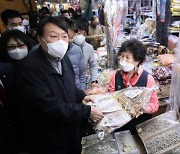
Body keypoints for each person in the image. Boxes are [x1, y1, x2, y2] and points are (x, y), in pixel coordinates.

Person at [16, 16, 103, 154]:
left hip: (69, 130)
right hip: (49, 139)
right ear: (40, 39)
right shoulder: (29, 68)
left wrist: (81, 96)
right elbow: (49, 105)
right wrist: (86, 111)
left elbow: (69, 85)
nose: (61, 42)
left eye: (64, 36)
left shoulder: (63, 58)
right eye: (53, 36)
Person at [108, 39, 159, 133]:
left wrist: (145, 108)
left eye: (127, 57)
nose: (123, 60)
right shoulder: (115, 76)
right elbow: (111, 98)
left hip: (140, 127)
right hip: (120, 126)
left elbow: (155, 104)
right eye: (122, 56)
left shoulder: (147, 78)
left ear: (137, 61)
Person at [74, 20, 98, 87]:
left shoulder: (89, 47)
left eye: (83, 34)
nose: (80, 36)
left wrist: (94, 80)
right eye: (78, 33)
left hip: (83, 82)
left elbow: (93, 65)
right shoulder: (67, 48)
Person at [65, 18, 86, 90]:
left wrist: (81, 92)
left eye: (72, 37)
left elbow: (82, 74)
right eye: (66, 37)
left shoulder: (77, 50)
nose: (69, 40)